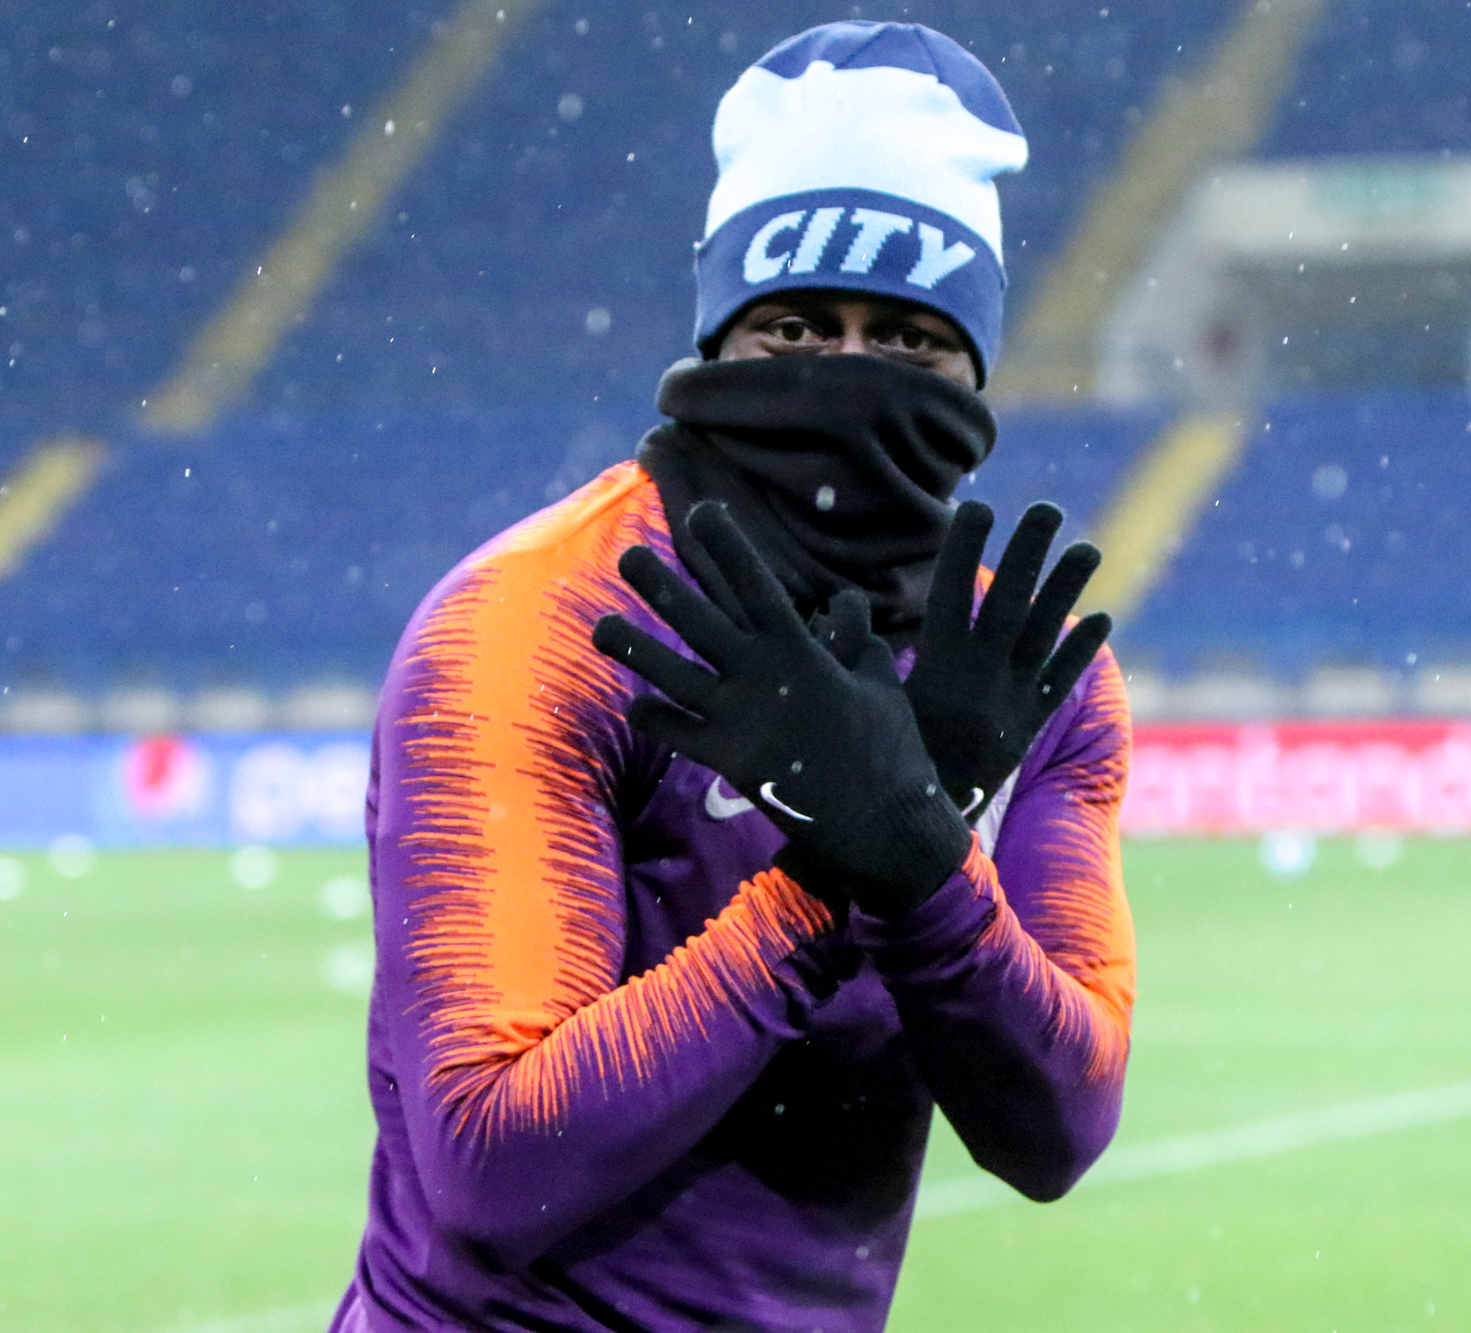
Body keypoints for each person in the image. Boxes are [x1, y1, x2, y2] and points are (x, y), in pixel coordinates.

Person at [332, 23, 1135, 1332]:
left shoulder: (1025, 668)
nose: (848, 373)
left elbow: (1059, 1122)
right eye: (797, 327)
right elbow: (496, 1165)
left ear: (976, 367)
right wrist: (840, 868)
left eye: (909, 338)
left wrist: (920, 859)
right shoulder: (541, 620)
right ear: (717, 337)